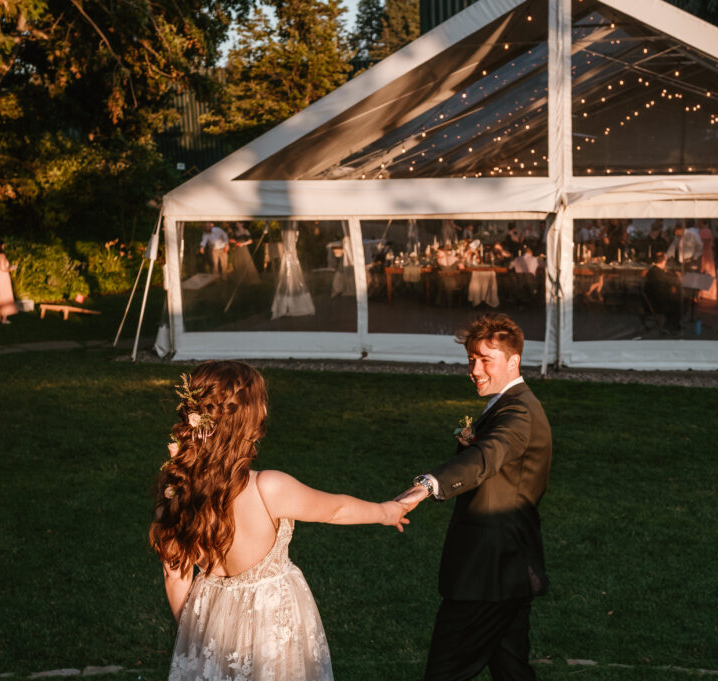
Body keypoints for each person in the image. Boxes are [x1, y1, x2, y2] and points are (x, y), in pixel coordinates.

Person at [149, 361, 410, 681]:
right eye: (262, 400)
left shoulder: (175, 485)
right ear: (248, 418)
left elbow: (174, 574)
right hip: (269, 622)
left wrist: (193, 634)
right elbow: (336, 510)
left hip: (210, 617)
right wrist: (386, 512)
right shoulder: (267, 488)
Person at [398, 314, 552, 681]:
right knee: (511, 668)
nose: (475, 369)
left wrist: (428, 484)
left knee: (445, 672)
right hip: (508, 567)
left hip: (488, 571)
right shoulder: (510, 404)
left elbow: (485, 457)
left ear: (513, 361)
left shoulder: (518, 413)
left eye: (486, 359)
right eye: (471, 359)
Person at [643, 251, 682, 332]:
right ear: (664, 261)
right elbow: (668, 280)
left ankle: (671, 324)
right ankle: (672, 326)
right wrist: (677, 277)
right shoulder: (658, 273)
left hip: (652, 300)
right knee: (678, 301)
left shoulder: (653, 270)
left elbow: (665, 278)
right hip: (656, 304)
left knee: (676, 298)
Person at [228, 222, 261, 287]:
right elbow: (233, 240)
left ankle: (249, 280)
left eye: (238, 223)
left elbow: (250, 241)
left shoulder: (245, 231)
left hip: (244, 248)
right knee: (237, 262)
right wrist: (234, 242)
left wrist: (242, 244)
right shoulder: (235, 232)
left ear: (242, 224)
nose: (237, 225)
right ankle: (240, 280)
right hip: (237, 248)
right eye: (236, 224)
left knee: (246, 261)